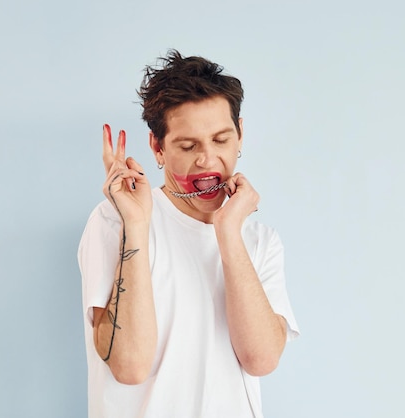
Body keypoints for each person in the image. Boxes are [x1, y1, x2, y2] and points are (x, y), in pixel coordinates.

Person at [78, 50, 299, 418]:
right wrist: (137, 226)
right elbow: (129, 367)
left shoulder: (260, 240)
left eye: (221, 139)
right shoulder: (115, 223)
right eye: (188, 145)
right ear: (157, 147)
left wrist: (228, 233)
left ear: (240, 135)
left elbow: (260, 360)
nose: (207, 159)